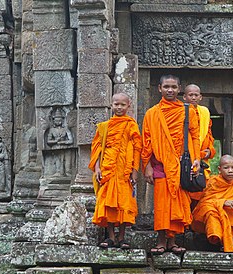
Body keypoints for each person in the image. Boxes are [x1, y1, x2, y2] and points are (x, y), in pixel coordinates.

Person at [142, 75, 202, 255]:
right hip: (159, 164)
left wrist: (197, 158)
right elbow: (147, 141)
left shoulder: (187, 111)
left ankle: (173, 241)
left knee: (177, 202)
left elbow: (195, 136)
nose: (170, 90)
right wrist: (147, 166)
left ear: (179, 89)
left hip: (181, 164)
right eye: (166, 86)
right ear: (159, 88)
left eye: (174, 87)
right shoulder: (152, 113)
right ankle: (161, 241)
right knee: (161, 204)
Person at [89, 93, 142, 249]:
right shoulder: (104, 126)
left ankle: (122, 237)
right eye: (116, 104)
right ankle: (111, 237)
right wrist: (97, 168)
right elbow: (97, 149)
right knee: (108, 204)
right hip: (108, 170)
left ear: (128, 106)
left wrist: (135, 170)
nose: (119, 107)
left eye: (122, 105)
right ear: (111, 105)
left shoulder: (131, 125)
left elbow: (137, 148)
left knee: (124, 203)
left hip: (124, 172)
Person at [183, 84, 216, 209]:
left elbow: (209, 136)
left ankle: (195, 221)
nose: (193, 97)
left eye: (196, 95)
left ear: (200, 97)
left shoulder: (205, 113)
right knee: (185, 189)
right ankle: (185, 222)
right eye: (190, 95)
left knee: (200, 188)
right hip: (186, 157)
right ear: (185, 97)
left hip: (201, 159)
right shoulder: (181, 112)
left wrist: (210, 151)